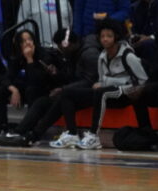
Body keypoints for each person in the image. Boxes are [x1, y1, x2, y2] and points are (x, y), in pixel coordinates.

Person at [51, 19, 147, 150]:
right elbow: (102, 80)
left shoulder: (128, 56)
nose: (105, 39)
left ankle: (93, 136)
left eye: (109, 36)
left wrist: (116, 86)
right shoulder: (102, 56)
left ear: (116, 37)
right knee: (67, 93)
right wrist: (101, 83)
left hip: (126, 93)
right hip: (106, 93)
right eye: (102, 36)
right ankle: (72, 134)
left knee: (101, 92)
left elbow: (143, 80)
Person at [0, 29, 59, 139]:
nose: (27, 43)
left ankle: (29, 128)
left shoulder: (44, 55)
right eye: (23, 41)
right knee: (0, 90)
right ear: (18, 44)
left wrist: (29, 59)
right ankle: (3, 127)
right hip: (25, 87)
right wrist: (14, 90)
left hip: (42, 89)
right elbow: (7, 77)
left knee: (31, 89)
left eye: (29, 39)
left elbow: (36, 80)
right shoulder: (17, 56)